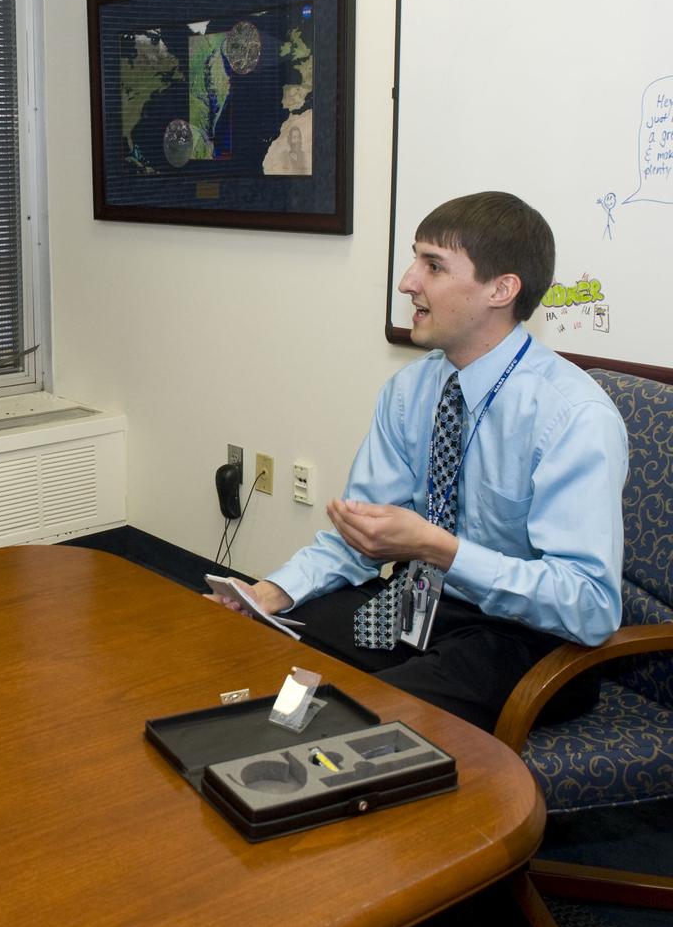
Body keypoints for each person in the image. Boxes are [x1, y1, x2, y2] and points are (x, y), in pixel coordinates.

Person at [211, 191, 628, 731]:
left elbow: (590, 607)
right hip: (417, 602)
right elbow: (358, 538)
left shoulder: (573, 416)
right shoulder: (411, 389)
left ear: (501, 290)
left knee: (356, 716)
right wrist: (271, 592)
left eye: (433, 266)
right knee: (265, 645)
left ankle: (298, 756)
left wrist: (440, 549)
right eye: (415, 260)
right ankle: (253, 748)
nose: (408, 282)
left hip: (526, 639)